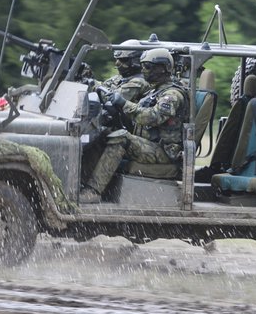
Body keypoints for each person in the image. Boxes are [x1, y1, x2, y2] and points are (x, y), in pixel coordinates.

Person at [80, 48, 189, 203]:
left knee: (121, 138)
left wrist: (123, 103)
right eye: (143, 65)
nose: (143, 70)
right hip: (149, 145)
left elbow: (152, 117)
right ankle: (83, 183)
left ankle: (93, 191)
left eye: (148, 66)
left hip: (165, 152)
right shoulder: (154, 90)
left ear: (163, 68)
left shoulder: (172, 95)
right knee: (104, 134)